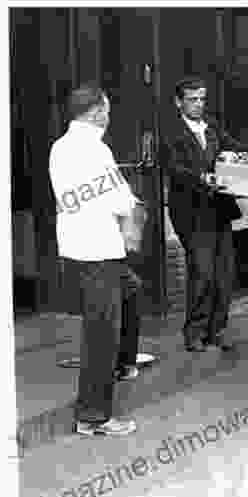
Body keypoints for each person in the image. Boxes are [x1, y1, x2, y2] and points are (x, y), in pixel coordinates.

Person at [49, 83, 141, 436]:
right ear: (98, 111)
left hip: (75, 250)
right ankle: (93, 416)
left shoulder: (59, 148)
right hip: (100, 253)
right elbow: (119, 201)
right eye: (107, 108)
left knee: (131, 292)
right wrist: (129, 203)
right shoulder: (96, 149)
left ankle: (122, 365)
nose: (109, 114)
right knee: (102, 336)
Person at [163, 76, 248, 352]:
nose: (198, 104)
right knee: (202, 272)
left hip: (219, 209)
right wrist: (203, 179)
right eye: (192, 99)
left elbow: (231, 145)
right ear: (179, 102)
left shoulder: (211, 127)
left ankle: (217, 330)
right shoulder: (171, 131)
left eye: (201, 99)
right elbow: (175, 169)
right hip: (192, 212)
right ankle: (194, 333)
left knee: (224, 271)